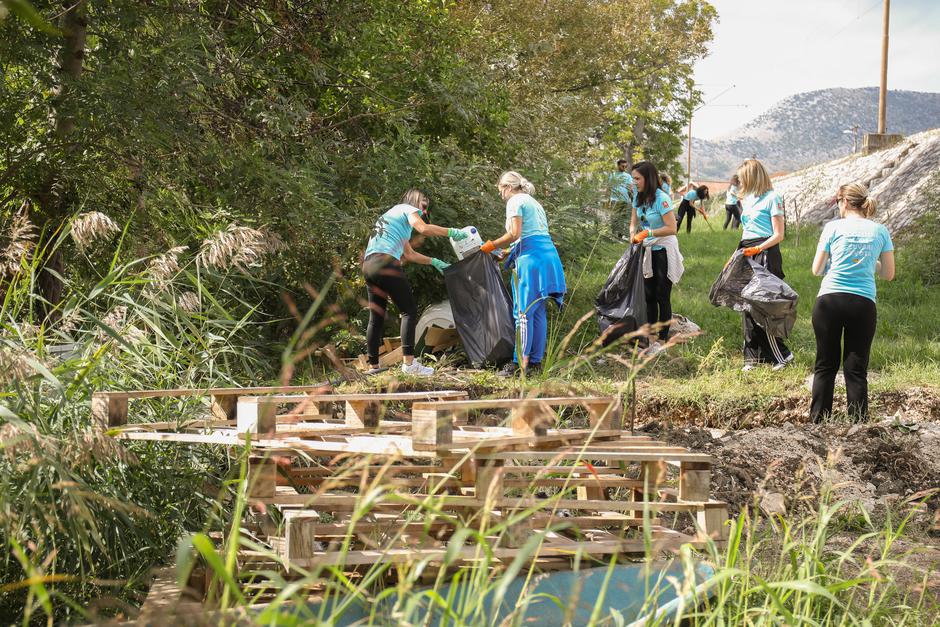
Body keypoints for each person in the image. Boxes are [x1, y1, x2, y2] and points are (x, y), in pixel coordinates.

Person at [809, 183, 894, 423]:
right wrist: (866, 262)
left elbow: (816, 269)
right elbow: (888, 273)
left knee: (825, 364)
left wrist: (837, 262)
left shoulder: (832, 227)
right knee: (856, 370)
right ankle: (858, 426)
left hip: (829, 302)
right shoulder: (880, 231)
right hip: (863, 304)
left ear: (844, 202)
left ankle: (817, 425)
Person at [362, 189, 467, 376]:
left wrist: (434, 261)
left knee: (376, 317)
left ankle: (373, 367)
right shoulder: (407, 209)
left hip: (369, 265)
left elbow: (409, 254)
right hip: (386, 262)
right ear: (415, 201)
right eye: (423, 206)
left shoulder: (392, 217)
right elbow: (424, 229)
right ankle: (409, 365)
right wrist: (452, 232)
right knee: (408, 311)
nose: (424, 212)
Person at [481, 172, 566, 377]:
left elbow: (515, 234)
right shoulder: (533, 202)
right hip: (546, 256)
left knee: (523, 314)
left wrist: (490, 245)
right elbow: (530, 236)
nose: (500, 193)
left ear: (509, 187)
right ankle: (535, 363)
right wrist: (507, 253)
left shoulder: (515, 201)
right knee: (537, 312)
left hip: (531, 261)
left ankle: (519, 364)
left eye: (500, 188)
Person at [735, 159, 793, 371]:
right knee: (746, 305)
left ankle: (782, 355)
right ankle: (752, 358)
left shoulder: (773, 198)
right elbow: (746, 229)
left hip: (765, 252)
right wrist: (738, 254)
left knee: (763, 305)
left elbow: (779, 234)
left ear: (753, 177)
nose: (740, 182)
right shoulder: (747, 199)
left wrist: (758, 249)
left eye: (743, 178)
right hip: (747, 250)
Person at [629, 161, 678, 350]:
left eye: (637, 178)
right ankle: (649, 336)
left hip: (663, 249)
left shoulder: (661, 198)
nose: (634, 182)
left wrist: (648, 233)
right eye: (633, 178)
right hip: (646, 248)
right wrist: (633, 234)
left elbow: (672, 228)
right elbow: (633, 221)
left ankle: (663, 338)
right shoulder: (638, 196)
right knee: (648, 295)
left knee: (661, 295)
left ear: (647, 178)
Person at [606, 159, 635, 239]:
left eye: (626, 166)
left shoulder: (628, 176)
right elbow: (609, 187)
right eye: (623, 166)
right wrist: (607, 200)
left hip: (625, 200)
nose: (624, 167)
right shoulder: (613, 175)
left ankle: (620, 236)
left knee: (622, 218)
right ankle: (613, 234)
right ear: (618, 165)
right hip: (615, 200)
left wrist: (633, 199)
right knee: (614, 217)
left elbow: (630, 188)